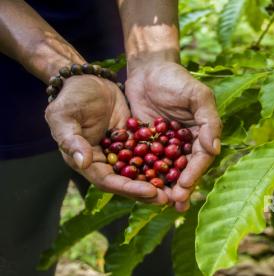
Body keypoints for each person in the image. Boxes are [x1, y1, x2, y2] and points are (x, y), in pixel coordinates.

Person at [0, 0, 222, 275]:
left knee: (147, 248)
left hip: (122, 80)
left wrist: (154, 59)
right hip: (7, 106)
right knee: (17, 252)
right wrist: (70, 71)